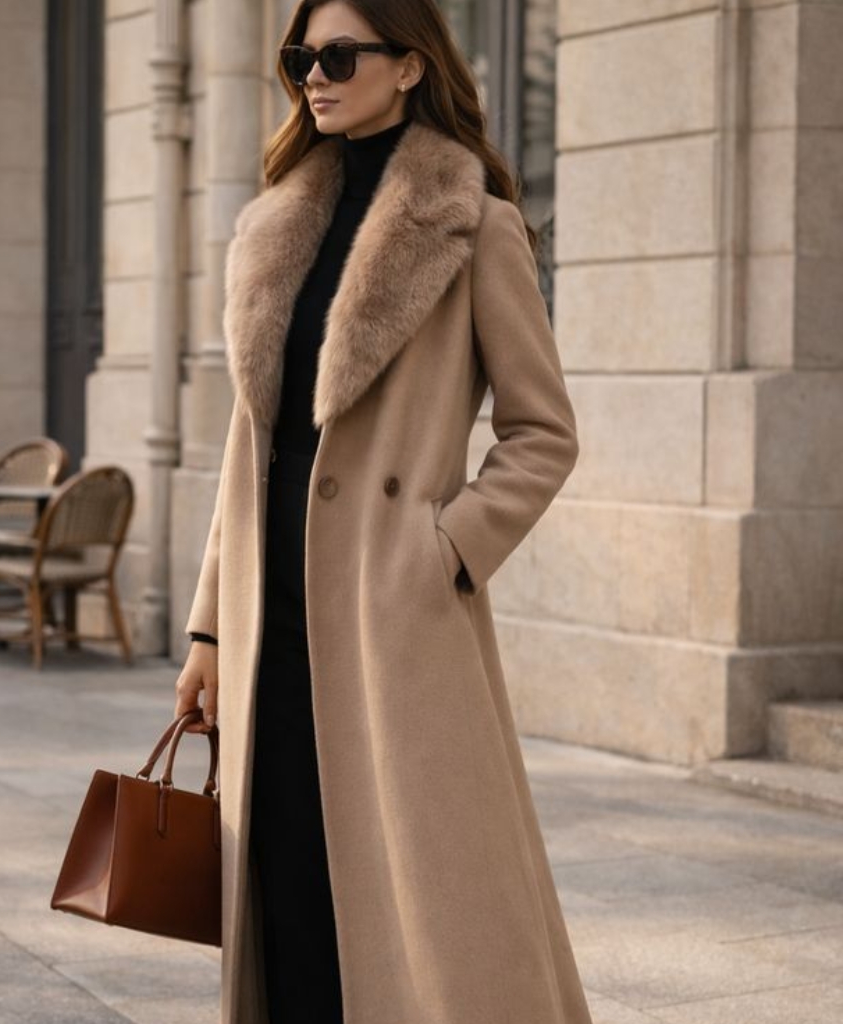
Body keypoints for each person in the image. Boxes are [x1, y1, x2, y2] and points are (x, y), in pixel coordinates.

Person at [174, 1, 593, 1022]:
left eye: (337, 55)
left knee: (414, 900)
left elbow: (543, 432)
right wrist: (208, 626)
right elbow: (252, 450)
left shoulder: (475, 225)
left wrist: (442, 551)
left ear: (408, 65)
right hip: (272, 626)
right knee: (291, 888)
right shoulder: (279, 222)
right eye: (299, 57)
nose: (312, 75)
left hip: (391, 618)